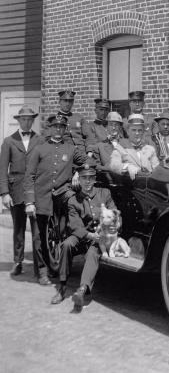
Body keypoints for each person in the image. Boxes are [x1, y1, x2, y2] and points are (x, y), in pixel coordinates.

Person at [24, 114, 87, 284]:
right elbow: (29, 176)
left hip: (60, 198)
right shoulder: (39, 148)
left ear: (65, 129)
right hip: (40, 198)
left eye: (61, 127)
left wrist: (77, 172)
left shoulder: (71, 149)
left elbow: (88, 162)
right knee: (38, 237)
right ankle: (43, 272)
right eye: (55, 127)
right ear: (50, 129)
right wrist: (29, 202)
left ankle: (60, 268)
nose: (58, 130)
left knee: (61, 234)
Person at [50, 163, 116, 306]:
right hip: (82, 236)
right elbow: (75, 226)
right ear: (78, 180)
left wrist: (112, 227)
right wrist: (90, 235)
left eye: (90, 178)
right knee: (66, 245)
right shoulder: (73, 200)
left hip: (100, 238)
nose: (87, 181)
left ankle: (82, 289)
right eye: (84, 178)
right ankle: (62, 287)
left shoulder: (104, 193)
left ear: (95, 179)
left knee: (93, 253)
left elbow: (115, 213)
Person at [0, 106, 43, 277]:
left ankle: (39, 266)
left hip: (34, 190)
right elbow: (2, 169)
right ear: (18, 120)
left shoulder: (39, 140)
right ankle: (18, 262)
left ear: (33, 120)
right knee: (18, 229)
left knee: (37, 230)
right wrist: (4, 193)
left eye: (30, 119)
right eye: (23, 119)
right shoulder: (9, 141)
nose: (26, 122)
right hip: (15, 190)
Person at [110, 114, 159, 180]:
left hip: (149, 185)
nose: (137, 133)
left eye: (140, 130)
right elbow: (113, 165)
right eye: (134, 130)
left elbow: (157, 168)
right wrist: (127, 167)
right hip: (131, 186)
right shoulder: (120, 148)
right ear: (128, 131)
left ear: (143, 132)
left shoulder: (150, 149)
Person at [44, 90, 87, 154]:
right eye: (65, 101)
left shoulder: (79, 118)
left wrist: (89, 152)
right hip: (64, 153)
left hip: (81, 153)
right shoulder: (52, 120)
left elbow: (88, 136)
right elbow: (47, 139)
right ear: (59, 102)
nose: (68, 104)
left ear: (73, 102)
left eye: (70, 101)